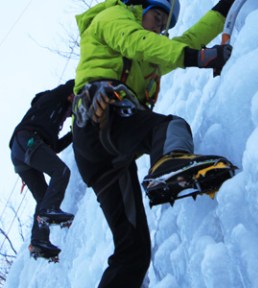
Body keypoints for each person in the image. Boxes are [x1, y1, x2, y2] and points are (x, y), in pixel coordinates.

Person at [71, 0, 235, 286]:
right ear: (140, 8)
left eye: (164, 24)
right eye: (157, 17)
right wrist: (200, 58)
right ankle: (170, 162)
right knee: (170, 127)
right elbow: (137, 41)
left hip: (102, 159)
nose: (160, 27)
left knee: (133, 252)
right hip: (101, 113)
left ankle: (166, 167)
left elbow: (187, 41)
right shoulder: (113, 15)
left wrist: (223, 9)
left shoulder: (147, 59)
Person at [9, 80, 75, 257]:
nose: (69, 114)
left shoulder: (50, 125)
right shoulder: (51, 100)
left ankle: (39, 241)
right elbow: (69, 86)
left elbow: (54, 148)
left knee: (43, 197)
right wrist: (84, 83)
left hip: (22, 154)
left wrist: (73, 133)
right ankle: (49, 210)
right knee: (61, 171)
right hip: (27, 139)